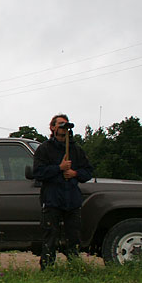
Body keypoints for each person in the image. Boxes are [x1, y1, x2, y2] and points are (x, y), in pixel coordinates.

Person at [33, 114, 93, 269]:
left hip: (72, 199)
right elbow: (38, 173)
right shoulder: (44, 149)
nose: (64, 128)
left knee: (74, 237)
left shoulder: (76, 150)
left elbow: (88, 172)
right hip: (52, 199)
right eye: (60, 124)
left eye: (66, 125)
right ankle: (47, 269)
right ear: (52, 127)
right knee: (50, 237)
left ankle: (75, 267)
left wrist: (75, 173)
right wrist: (59, 168)